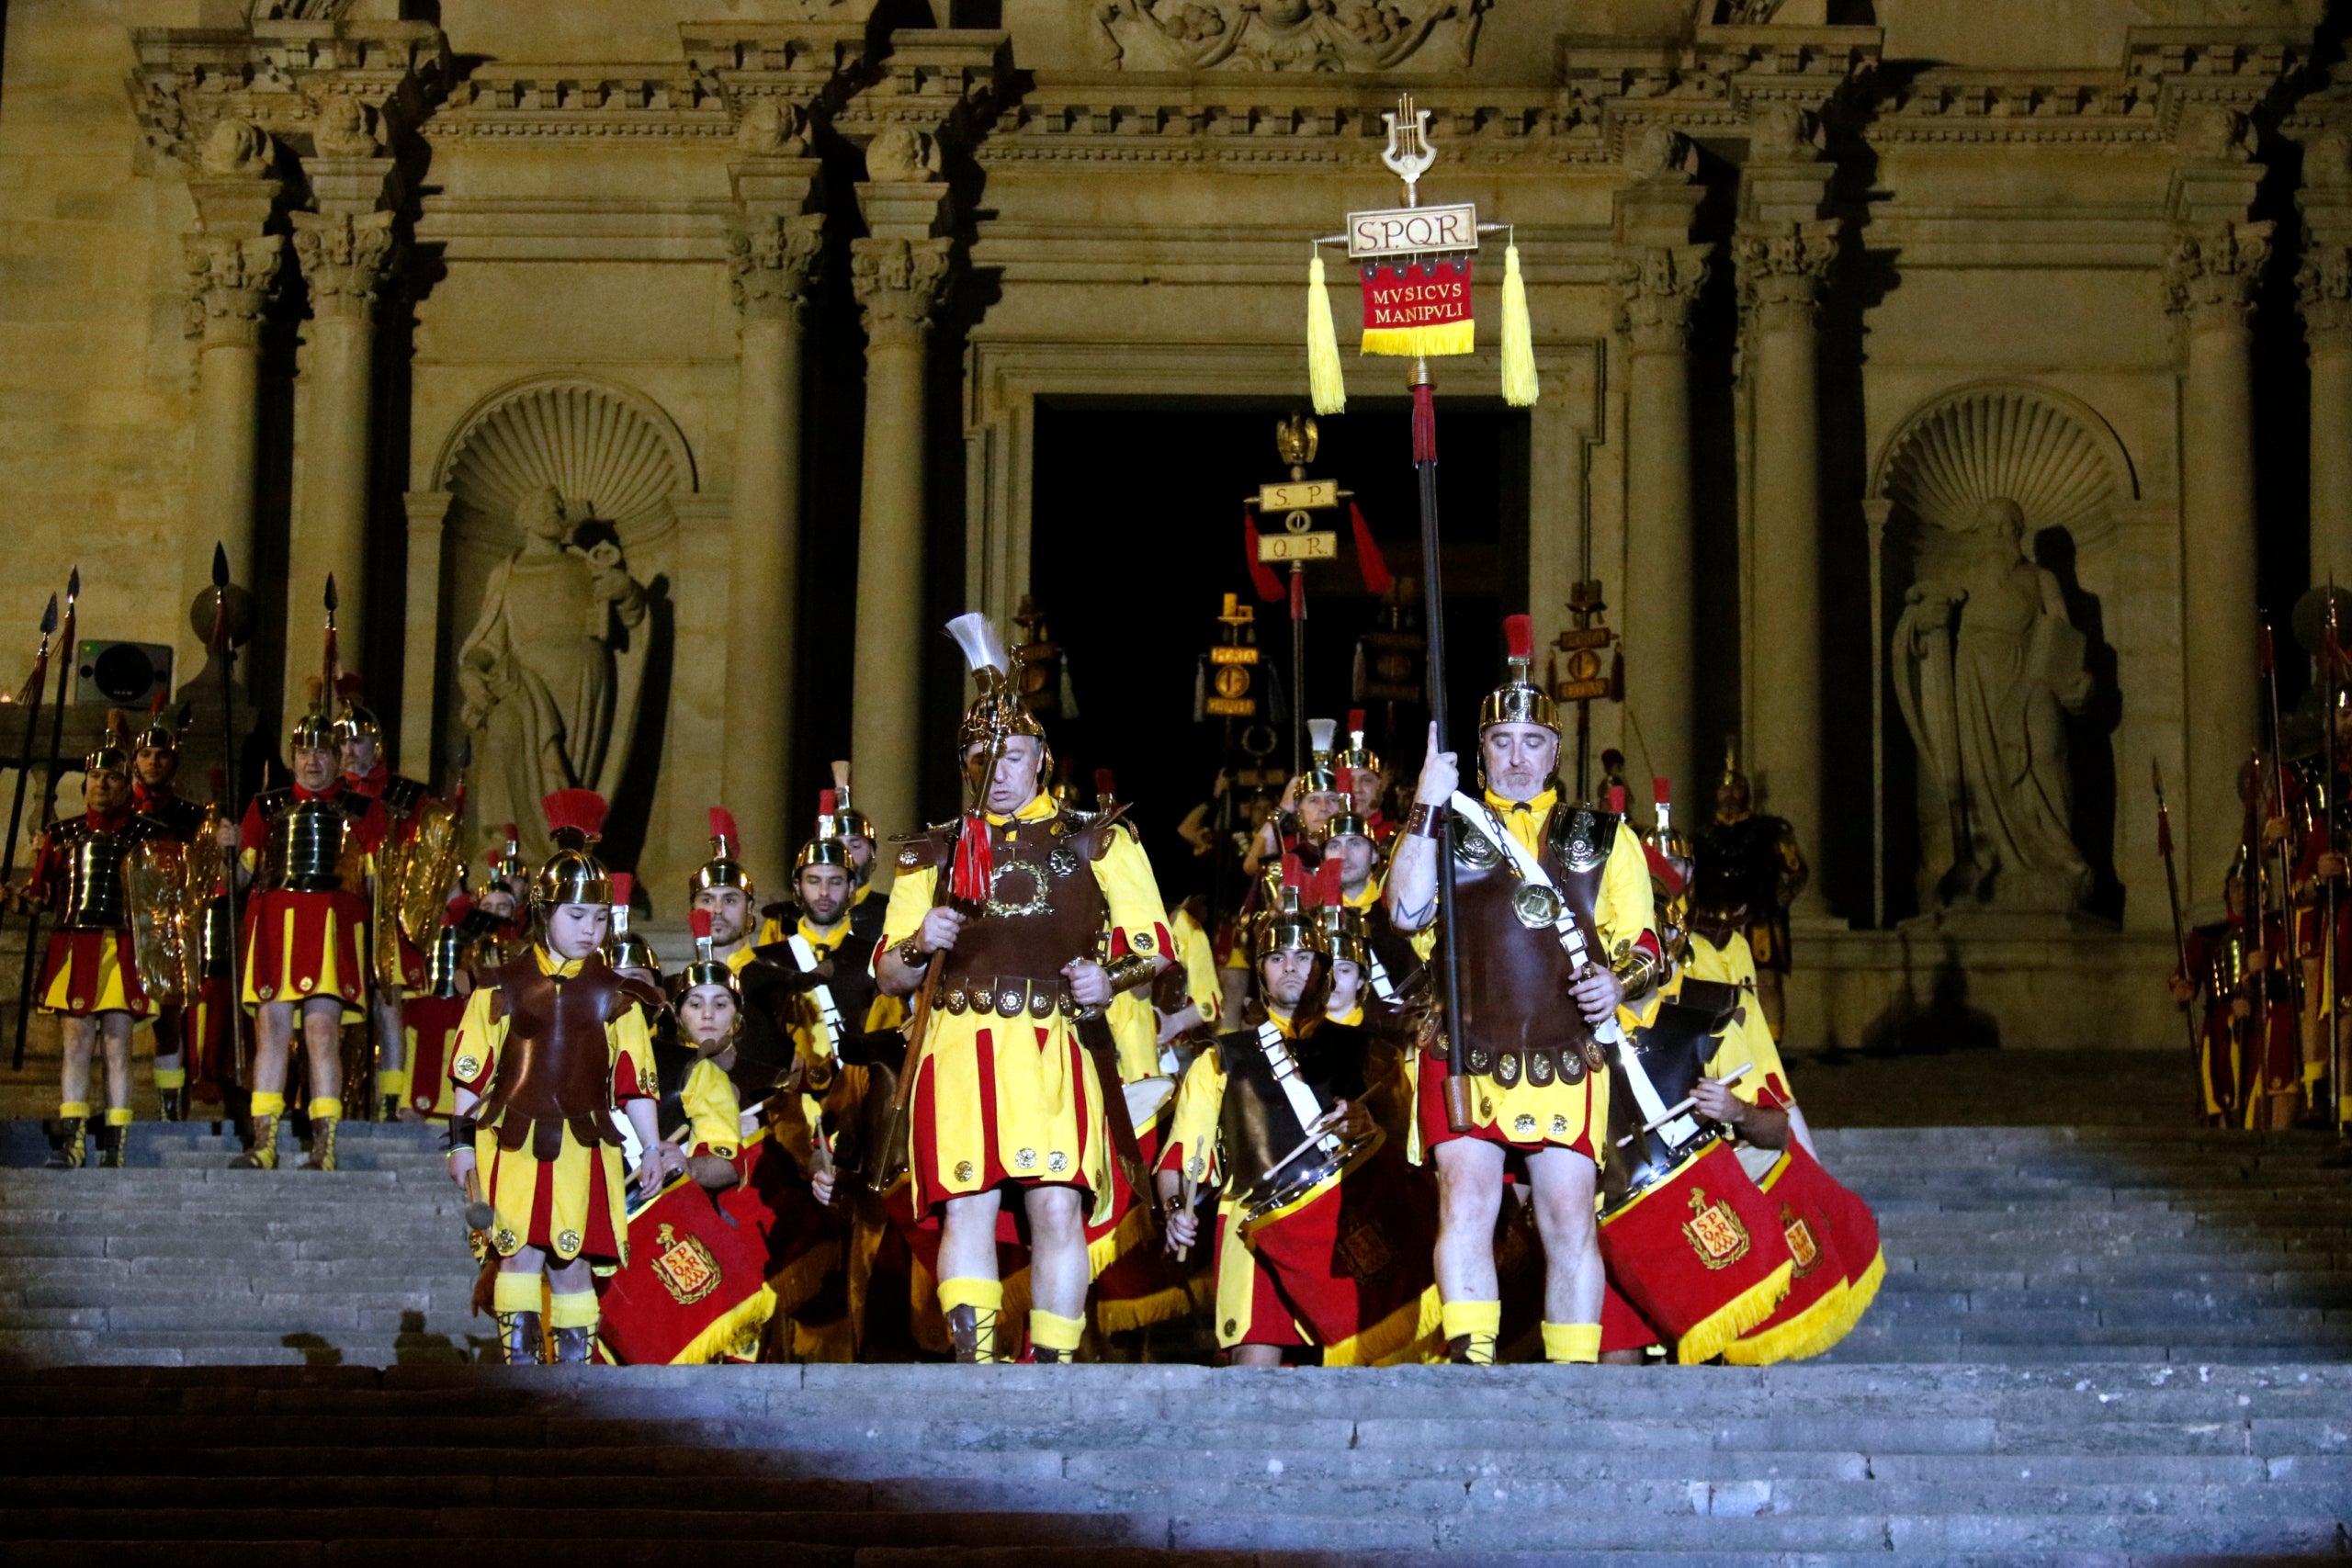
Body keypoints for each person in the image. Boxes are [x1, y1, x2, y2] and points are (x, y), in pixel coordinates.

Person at [874, 613, 1174, 1363]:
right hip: (958, 1041)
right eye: (983, 756)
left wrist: (1112, 976)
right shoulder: (931, 851)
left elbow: (1154, 945)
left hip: (1054, 1044)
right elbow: (889, 970)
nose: (997, 770)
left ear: (1040, 760)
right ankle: (973, 1367)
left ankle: (1055, 1368)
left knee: (1055, 1207)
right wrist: (920, 942)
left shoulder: (1095, 835)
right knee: (966, 1208)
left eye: (1012, 755)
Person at [1385, 615, 1662, 1366]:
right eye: (1501, 742)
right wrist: (1423, 801)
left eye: (1532, 742)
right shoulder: (1446, 824)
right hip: (1466, 1045)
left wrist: (1619, 981)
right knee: (1466, 1202)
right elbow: (1404, 910)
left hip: (1562, 1047)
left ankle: (1571, 1377)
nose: (1516, 757)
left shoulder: (1601, 835)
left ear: (1556, 751)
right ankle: (1471, 1367)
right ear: (1479, 752)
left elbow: (1649, 943)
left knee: (1568, 1213)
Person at [1159, 857, 1437, 1365]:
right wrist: (1177, 1209)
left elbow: (1413, 1159)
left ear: (1326, 971)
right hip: (1258, 1228)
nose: (1291, 966)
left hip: (1347, 1228)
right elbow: (1184, 1154)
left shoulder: (1375, 1053)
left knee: (1361, 1381)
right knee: (1254, 1381)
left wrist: (1370, 1130)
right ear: (1260, 973)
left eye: (1305, 957)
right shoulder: (1221, 1057)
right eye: (1276, 956)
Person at [445, 789, 677, 1363]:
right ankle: (519, 1373)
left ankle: (575, 1384)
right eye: (577, 915)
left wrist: (650, 1148)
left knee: (571, 1262)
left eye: (599, 917)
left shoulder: (619, 997)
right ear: (546, 913)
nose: (590, 929)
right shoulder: (498, 986)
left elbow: (635, 1083)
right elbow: (471, 1078)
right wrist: (460, 1147)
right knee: (518, 1253)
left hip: (586, 1144)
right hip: (511, 1140)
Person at [228, 683, 388, 1171]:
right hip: (275, 924)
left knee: (321, 1031)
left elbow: (379, 887)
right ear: (292, 757)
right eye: (304, 751)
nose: (312, 761)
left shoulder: (363, 811)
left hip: (334, 927)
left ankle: (326, 1144)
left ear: (339, 757)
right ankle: (264, 1141)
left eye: (323, 750)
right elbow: (238, 879)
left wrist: (382, 957)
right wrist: (227, 848)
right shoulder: (266, 807)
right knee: (271, 1029)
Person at [7, 716, 167, 1168]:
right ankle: (73, 1141)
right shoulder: (60, 836)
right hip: (74, 944)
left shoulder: (146, 835)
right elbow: (40, 898)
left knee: (117, 1046)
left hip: (122, 945)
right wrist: (13, 898)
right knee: (76, 1044)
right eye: (95, 776)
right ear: (85, 784)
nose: (101, 785)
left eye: (112, 778)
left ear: (125, 785)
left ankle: (116, 1145)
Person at [334, 676, 446, 1122]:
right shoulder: (329, 797)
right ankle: (333, 1102)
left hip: (387, 914)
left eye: (357, 741)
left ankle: (390, 1100)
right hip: (340, 913)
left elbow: (433, 847)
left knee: (387, 1007)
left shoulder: (405, 795)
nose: (349, 750)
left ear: (375, 745)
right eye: (341, 741)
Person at [125, 699, 208, 1121]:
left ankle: (169, 1110)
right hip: (124, 930)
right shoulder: (122, 816)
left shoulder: (191, 818)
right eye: (145, 754)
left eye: (161, 755)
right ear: (134, 761)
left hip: (171, 931)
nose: (153, 762)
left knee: (170, 1023)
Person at [1690, 747, 1808, 1042]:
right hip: (1714, 920)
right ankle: (1722, 1044)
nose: (1729, 794)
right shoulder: (1700, 837)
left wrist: (1779, 902)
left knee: (1767, 981)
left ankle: (1772, 1047)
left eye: (1736, 788)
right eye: (1723, 788)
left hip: (1760, 917)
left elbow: (1797, 871)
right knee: (1716, 981)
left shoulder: (1770, 830)